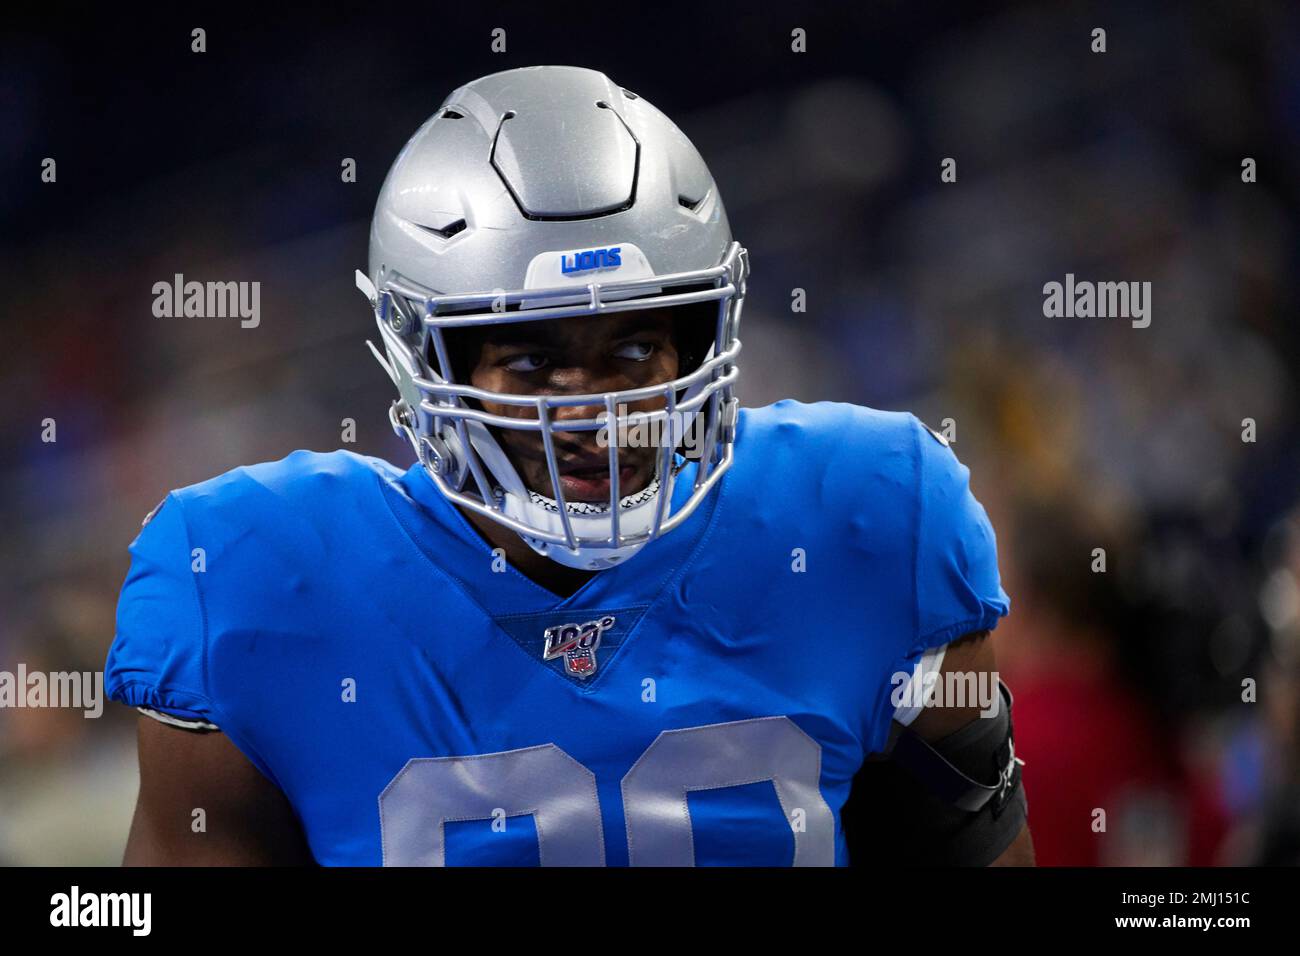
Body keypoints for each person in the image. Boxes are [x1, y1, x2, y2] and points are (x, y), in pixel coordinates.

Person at [106, 65, 1031, 866]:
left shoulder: (866, 519)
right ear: (430, 363)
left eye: (634, 350)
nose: (593, 415)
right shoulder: (253, 577)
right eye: (534, 362)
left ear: (701, 339)